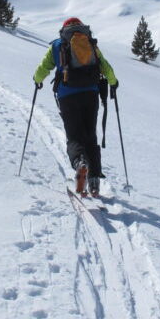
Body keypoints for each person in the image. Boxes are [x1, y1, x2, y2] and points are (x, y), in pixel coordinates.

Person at [32, 17, 118, 197]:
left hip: (68, 96)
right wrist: (113, 82)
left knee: (74, 136)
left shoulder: (58, 45)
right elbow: (104, 65)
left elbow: (44, 67)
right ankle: (94, 180)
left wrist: (37, 79)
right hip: (91, 94)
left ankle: (80, 163)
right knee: (90, 136)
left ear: (64, 29)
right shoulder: (90, 43)